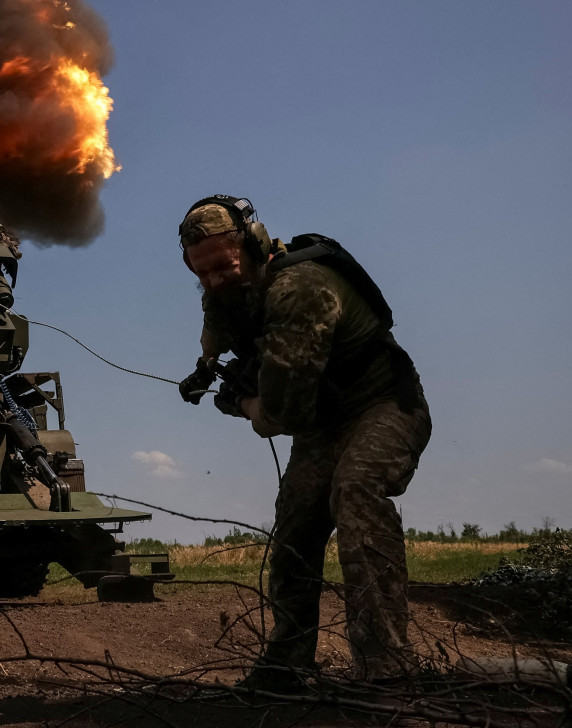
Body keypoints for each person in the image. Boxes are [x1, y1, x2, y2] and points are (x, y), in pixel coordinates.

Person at [176, 195, 432, 692]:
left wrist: (242, 402)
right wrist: (205, 370)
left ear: (251, 245)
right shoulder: (227, 289)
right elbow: (216, 326)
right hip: (324, 422)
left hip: (383, 406)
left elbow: (279, 417)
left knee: (355, 491)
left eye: (222, 267)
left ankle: (387, 671)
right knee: (296, 523)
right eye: (201, 274)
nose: (213, 281)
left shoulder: (299, 288)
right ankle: (287, 666)